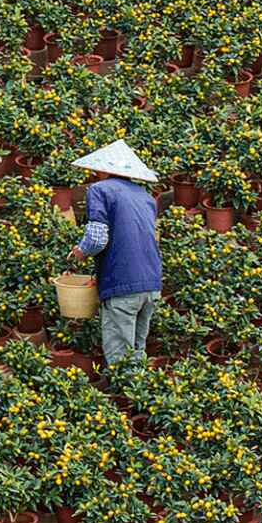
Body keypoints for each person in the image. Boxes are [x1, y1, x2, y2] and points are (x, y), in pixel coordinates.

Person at [67, 139, 162, 365]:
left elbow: (97, 238)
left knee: (120, 359)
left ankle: (124, 396)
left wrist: (80, 252)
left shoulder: (100, 190)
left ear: (103, 169)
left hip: (122, 284)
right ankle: (140, 397)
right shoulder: (145, 196)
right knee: (137, 353)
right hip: (151, 284)